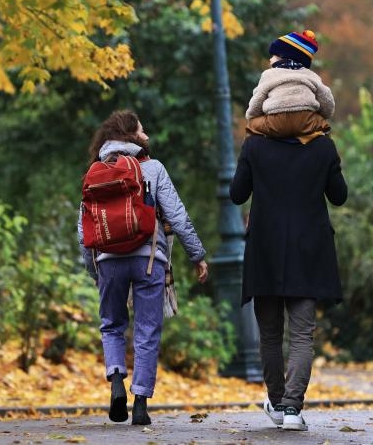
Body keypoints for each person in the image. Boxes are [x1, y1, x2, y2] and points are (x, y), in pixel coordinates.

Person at [78, 109, 209, 426]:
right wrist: (198, 255)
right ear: (131, 136)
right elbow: (176, 216)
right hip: (149, 258)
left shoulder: (96, 171)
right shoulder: (153, 168)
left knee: (111, 324)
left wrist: (94, 269)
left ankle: (116, 382)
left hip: (108, 261)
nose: (147, 136)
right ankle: (140, 404)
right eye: (142, 130)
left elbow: (84, 231)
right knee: (147, 330)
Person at [229, 128, 348, 431]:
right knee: (301, 335)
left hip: (265, 250)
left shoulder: (255, 145)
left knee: (269, 334)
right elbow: (339, 195)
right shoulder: (322, 146)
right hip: (308, 252)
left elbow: (237, 193)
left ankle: (278, 403)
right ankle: (294, 408)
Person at [245, 29, 335, 144]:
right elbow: (327, 100)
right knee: (325, 126)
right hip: (305, 119)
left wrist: (252, 115)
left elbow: (258, 99)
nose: (270, 59)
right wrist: (324, 115)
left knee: (252, 125)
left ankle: (253, 151)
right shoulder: (312, 76)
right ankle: (319, 146)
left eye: (273, 55)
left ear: (283, 57)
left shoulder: (269, 75)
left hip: (276, 122)